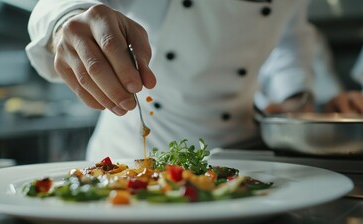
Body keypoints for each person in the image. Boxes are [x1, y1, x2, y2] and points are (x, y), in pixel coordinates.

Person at [26, 0, 316, 161]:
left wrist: (293, 97)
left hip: (246, 156)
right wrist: (66, 20)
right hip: (131, 156)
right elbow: (57, 3)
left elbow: (289, 36)